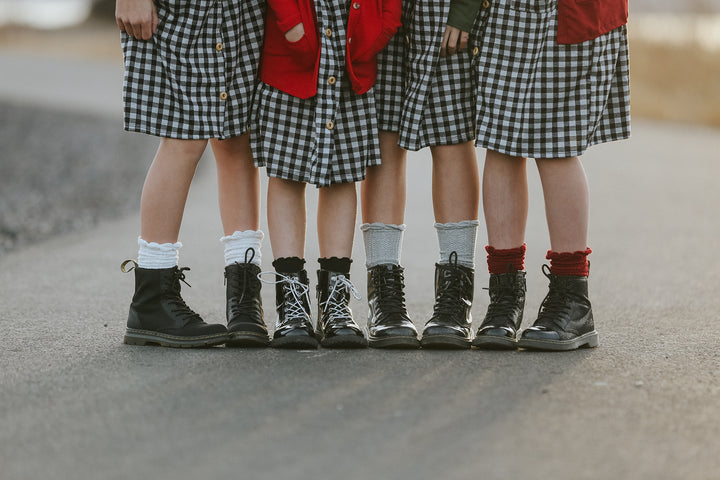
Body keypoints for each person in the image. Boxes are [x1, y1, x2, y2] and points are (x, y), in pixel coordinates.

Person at [472, 0, 630, 351]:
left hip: (571, 11)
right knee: (500, 144)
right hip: (504, 10)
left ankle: (573, 299)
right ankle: (505, 297)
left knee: (557, 146)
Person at [116, 0, 268, 348]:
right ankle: (152, 298)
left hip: (244, 10)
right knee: (183, 139)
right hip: (180, 9)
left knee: (236, 138)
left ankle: (244, 298)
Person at [251, 0, 401, 348]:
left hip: (353, 51)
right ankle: (292, 302)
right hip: (292, 54)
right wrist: (289, 19)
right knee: (286, 173)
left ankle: (336, 301)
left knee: (342, 175)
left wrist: (388, 21)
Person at [360, 0, 483, 349]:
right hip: (377, 7)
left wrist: (463, 10)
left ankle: (456, 297)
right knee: (383, 135)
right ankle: (384, 294)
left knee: (452, 135)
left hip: (444, 10)